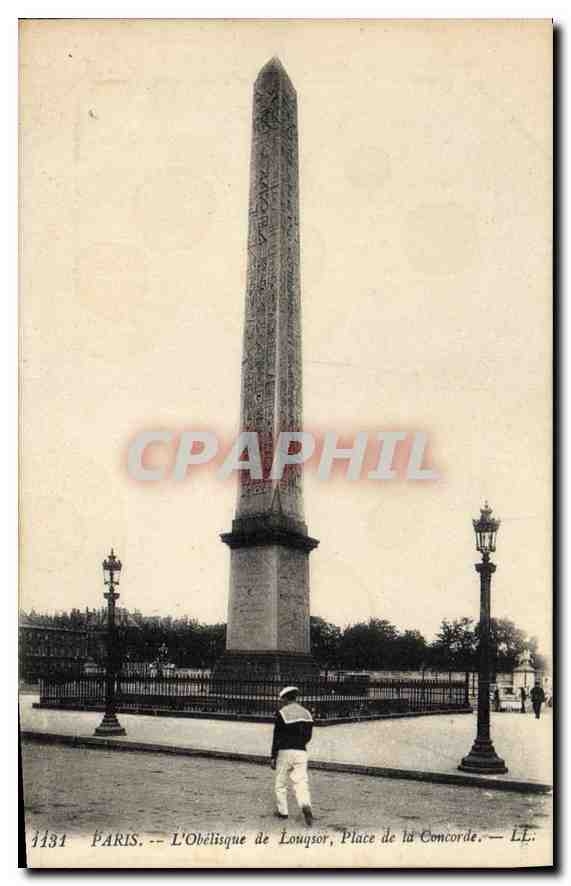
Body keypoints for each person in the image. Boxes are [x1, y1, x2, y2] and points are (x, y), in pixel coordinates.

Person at [270, 685, 314, 826]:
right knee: (301, 782)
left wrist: (273, 756)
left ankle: (283, 811)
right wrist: (300, 744)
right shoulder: (307, 713)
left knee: (281, 782)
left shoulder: (282, 713)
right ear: (296, 697)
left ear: (285, 699)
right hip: (301, 751)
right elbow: (308, 736)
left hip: (285, 751)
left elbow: (277, 736)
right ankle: (305, 805)